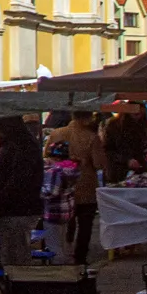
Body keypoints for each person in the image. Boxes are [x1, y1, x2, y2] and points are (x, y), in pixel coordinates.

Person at [0, 116, 45, 270]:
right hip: (13, 210)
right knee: (13, 255)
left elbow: (18, 181)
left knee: (15, 258)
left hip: (16, 211)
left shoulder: (22, 147)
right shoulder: (17, 144)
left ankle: (18, 287)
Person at [47, 111, 106, 265]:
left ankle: (65, 251)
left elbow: (47, 156)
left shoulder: (56, 133)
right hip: (86, 186)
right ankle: (80, 257)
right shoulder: (92, 137)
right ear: (87, 118)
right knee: (85, 224)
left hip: (61, 187)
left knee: (65, 223)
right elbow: (99, 163)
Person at [102, 101, 147, 185]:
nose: (138, 115)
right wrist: (127, 160)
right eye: (136, 113)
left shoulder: (146, 125)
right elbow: (108, 150)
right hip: (119, 171)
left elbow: (146, 145)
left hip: (140, 169)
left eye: (140, 113)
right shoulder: (114, 125)